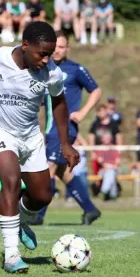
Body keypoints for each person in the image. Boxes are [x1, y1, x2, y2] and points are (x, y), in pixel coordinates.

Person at [0, 21, 79, 273]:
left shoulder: (53, 73)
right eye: (42, 53)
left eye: (51, 53)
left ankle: (21, 222)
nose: (48, 59)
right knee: (11, 180)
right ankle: (12, 256)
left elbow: (58, 103)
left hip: (30, 136)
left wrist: (66, 143)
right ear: (25, 45)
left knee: (42, 196)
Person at [33, 31, 102, 226]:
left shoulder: (76, 69)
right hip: (50, 129)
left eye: (61, 47)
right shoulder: (43, 69)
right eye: (54, 47)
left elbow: (96, 91)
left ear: (67, 48)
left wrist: (82, 113)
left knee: (49, 169)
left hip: (64, 129)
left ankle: (37, 214)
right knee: (63, 172)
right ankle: (90, 210)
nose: (57, 51)